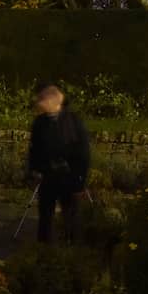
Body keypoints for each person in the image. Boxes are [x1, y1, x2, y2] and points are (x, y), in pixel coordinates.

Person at [26, 84, 90, 243]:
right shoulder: (40, 122)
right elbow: (34, 148)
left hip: (69, 176)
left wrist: (80, 181)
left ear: (54, 102)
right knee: (45, 215)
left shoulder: (73, 121)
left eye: (43, 100)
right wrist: (33, 170)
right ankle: (43, 249)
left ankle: (72, 248)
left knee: (71, 216)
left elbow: (83, 152)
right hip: (48, 176)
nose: (40, 104)